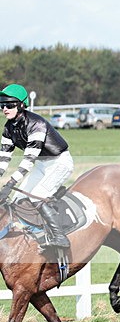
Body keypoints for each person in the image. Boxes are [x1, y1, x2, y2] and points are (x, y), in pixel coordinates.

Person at [0, 83, 74, 248]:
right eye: (2, 105)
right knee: (18, 200)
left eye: (9, 105)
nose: (5, 108)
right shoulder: (8, 128)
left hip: (59, 163)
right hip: (42, 165)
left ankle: (60, 237)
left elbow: (28, 160)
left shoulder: (36, 124)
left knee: (35, 196)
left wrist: (10, 184)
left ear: (21, 105)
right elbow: (4, 158)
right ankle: (33, 236)